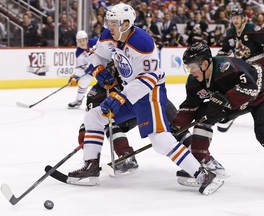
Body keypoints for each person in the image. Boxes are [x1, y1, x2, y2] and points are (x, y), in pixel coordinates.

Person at [67, 3, 224, 195]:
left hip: (151, 92)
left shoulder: (143, 43)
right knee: (93, 118)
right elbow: (97, 55)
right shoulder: (108, 36)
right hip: (129, 91)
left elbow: (149, 78)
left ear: (126, 23)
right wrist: (100, 71)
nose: (110, 27)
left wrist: (120, 97)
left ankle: (203, 175)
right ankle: (90, 169)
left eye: (114, 23)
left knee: (159, 139)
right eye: (109, 22)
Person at [173, 42, 264, 193]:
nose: (190, 71)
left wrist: (225, 102)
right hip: (234, 100)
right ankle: (198, 167)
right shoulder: (194, 82)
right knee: (203, 116)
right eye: (188, 67)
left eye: (193, 67)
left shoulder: (226, 67)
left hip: (263, 95)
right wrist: (176, 126)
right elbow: (191, 105)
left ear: (205, 63)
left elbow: (251, 88)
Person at [216, 8, 264, 132]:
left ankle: (263, 110)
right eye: (233, 18)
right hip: (241, 66)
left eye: (237, 18)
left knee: (255, 90)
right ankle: (232, 111)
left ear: (243, 18)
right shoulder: (230, 32)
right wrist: (217, 61)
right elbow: (225, 50)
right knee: (236, 89)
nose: (235, 20)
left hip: (256, 66)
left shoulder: (252, 29)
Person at [67, 30, 97, 109]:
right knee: (84, 82)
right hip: (92, 70)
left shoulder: (94, 42)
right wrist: (75, 76)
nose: (82, 42)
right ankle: (78, 100)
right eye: (79, 41)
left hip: (104, 65)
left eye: (83, 40)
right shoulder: (78, 52)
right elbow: (80, 67)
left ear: (87, 39)